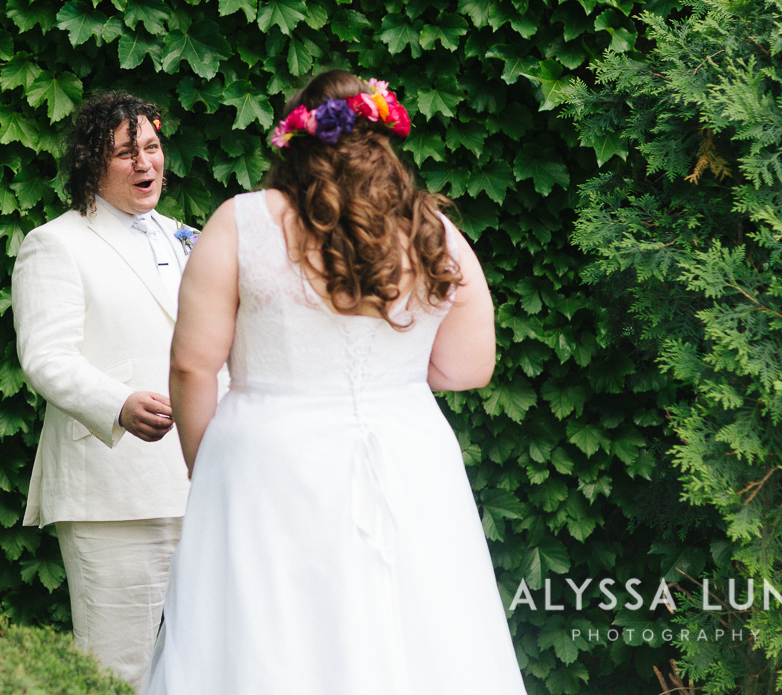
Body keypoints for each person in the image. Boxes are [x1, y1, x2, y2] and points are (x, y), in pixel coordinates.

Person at [144, 70, 527, 695]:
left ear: (293, 137)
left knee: (266, 637)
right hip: (408, 457)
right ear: (383, 137)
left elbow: (193, 364)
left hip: (267, 458)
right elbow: (468, 367)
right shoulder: (432, 230)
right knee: (417, 634)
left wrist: (204, 463)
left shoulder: (242, 222)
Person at [11, 91, 208, 689]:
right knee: (114, 672)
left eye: (151, 147)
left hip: (204, 487)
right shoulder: (56, 242)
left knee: (202, 665)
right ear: (91, 165)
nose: (145, 164)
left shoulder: (190, 238)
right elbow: (45, 356)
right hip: (114, 494)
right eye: (126, 153)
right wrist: (117, 404)